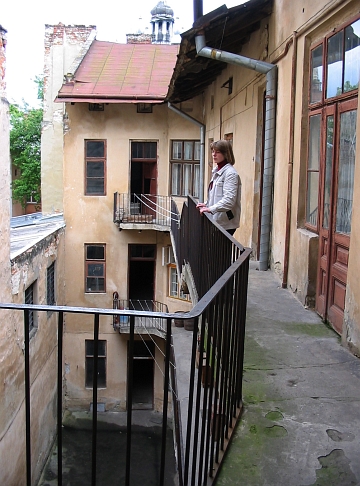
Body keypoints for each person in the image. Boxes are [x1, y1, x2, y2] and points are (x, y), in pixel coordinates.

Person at [196, 139, 241, 235]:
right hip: (217, 220)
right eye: (213, 151)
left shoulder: (230, 174)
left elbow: (229, 201)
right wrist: (206, 204)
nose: (214, 154)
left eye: (218, 152)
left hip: (225, 222)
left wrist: (210, 209)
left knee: (221, 249)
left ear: (226, 153)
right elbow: (215, 195)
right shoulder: (217, 171)